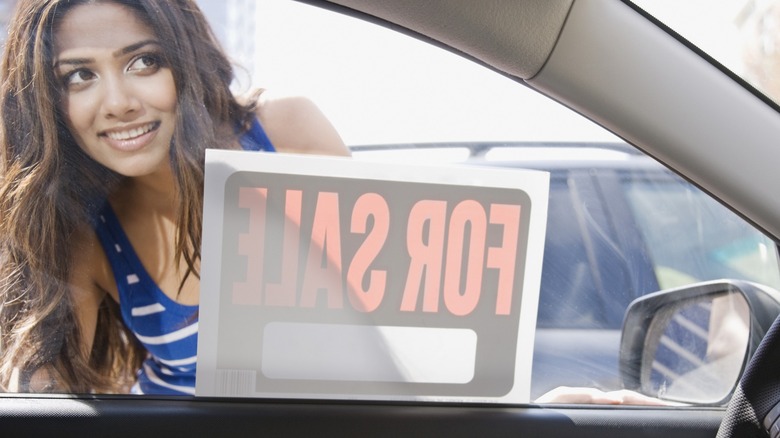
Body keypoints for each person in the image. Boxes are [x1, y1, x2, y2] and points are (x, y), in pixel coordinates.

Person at [0, 0, 348, 395]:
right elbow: (40, 385)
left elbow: (388, 316)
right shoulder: (87, 229)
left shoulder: (285, 133)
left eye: (144, 62)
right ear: (48, 103)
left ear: (186, 60)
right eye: (80, 75)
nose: (118, 104)